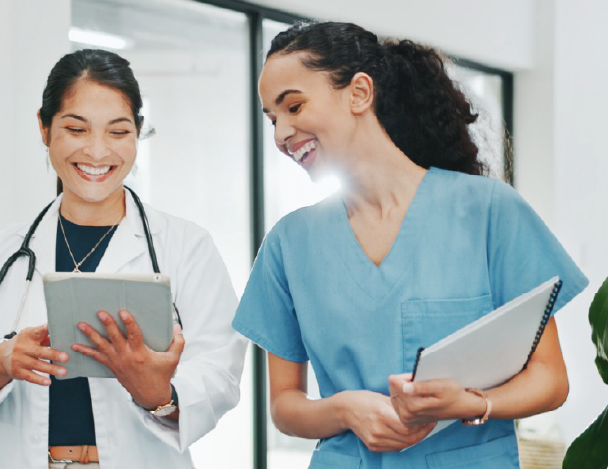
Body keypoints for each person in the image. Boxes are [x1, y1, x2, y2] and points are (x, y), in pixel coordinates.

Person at [232, 22, 589, 468]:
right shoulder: (290, 243)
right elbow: (285, 405)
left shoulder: (488, 211)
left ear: (360, 92)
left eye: (294, 106)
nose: (281, 133)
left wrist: (471, 403)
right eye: (271, 118)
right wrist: (344, 409)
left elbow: (551, 379)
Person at [0, 49, 246, 469]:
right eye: (76, 128)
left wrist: (157, 393)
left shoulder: (186, 246)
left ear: (137, 133)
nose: (97, 151)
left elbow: (221, 373)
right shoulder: (4, 249)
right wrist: (1, 360)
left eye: (118, 131)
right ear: (44, 127)